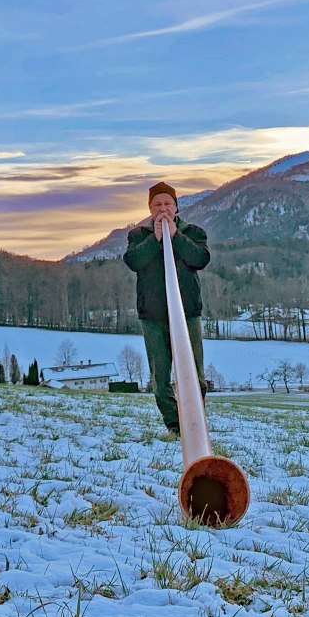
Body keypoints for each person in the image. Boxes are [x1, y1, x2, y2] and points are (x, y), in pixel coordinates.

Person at [123, 182, 211, 435]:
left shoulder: (193, 232)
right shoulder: (138, 236)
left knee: (195, 374)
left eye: (167, 204)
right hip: (153, 316)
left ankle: (195, 420)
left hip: (187, 314)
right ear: (150, 208)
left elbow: (200, 259)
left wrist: (175, 237)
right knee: (160, 376)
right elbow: (133, 260)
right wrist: (156, 239)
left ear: (176, 206)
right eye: (157, 204)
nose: (163, 209)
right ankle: (175, 424)